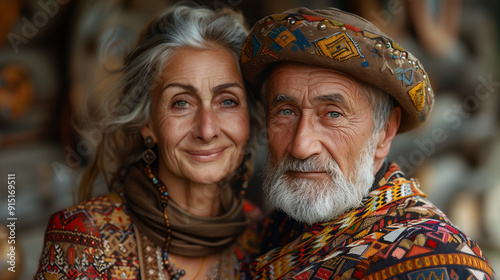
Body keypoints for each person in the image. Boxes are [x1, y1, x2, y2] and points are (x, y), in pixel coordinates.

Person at [240, 7, 495, 279]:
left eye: (333, 114)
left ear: (384, 132)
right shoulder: (267, 234)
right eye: (286, 112)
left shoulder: (439, 263)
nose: (301, 146)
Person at [35, 4, 263, 280]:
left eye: (227, 101)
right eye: (181, 103)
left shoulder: (260, 235)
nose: (207, 129)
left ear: (248, 119)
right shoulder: (85, 237)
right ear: (147, 123)